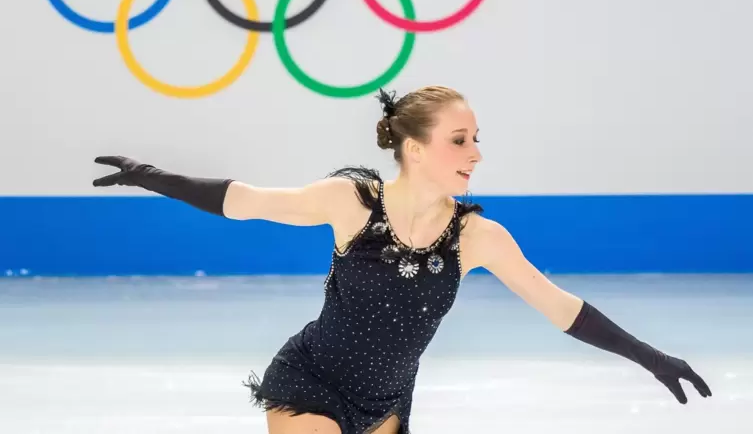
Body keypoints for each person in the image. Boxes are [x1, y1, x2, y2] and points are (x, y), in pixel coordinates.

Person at [92, 86, 711, 434]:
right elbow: (244, 202)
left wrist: (651, 358)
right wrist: (150, 176)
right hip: (310, 381)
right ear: (414, 149)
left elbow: (561, 308)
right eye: (461, 140)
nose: (477, 153)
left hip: (388, 402)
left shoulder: (478, 237)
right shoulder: (351, 203)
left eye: (477, 139)